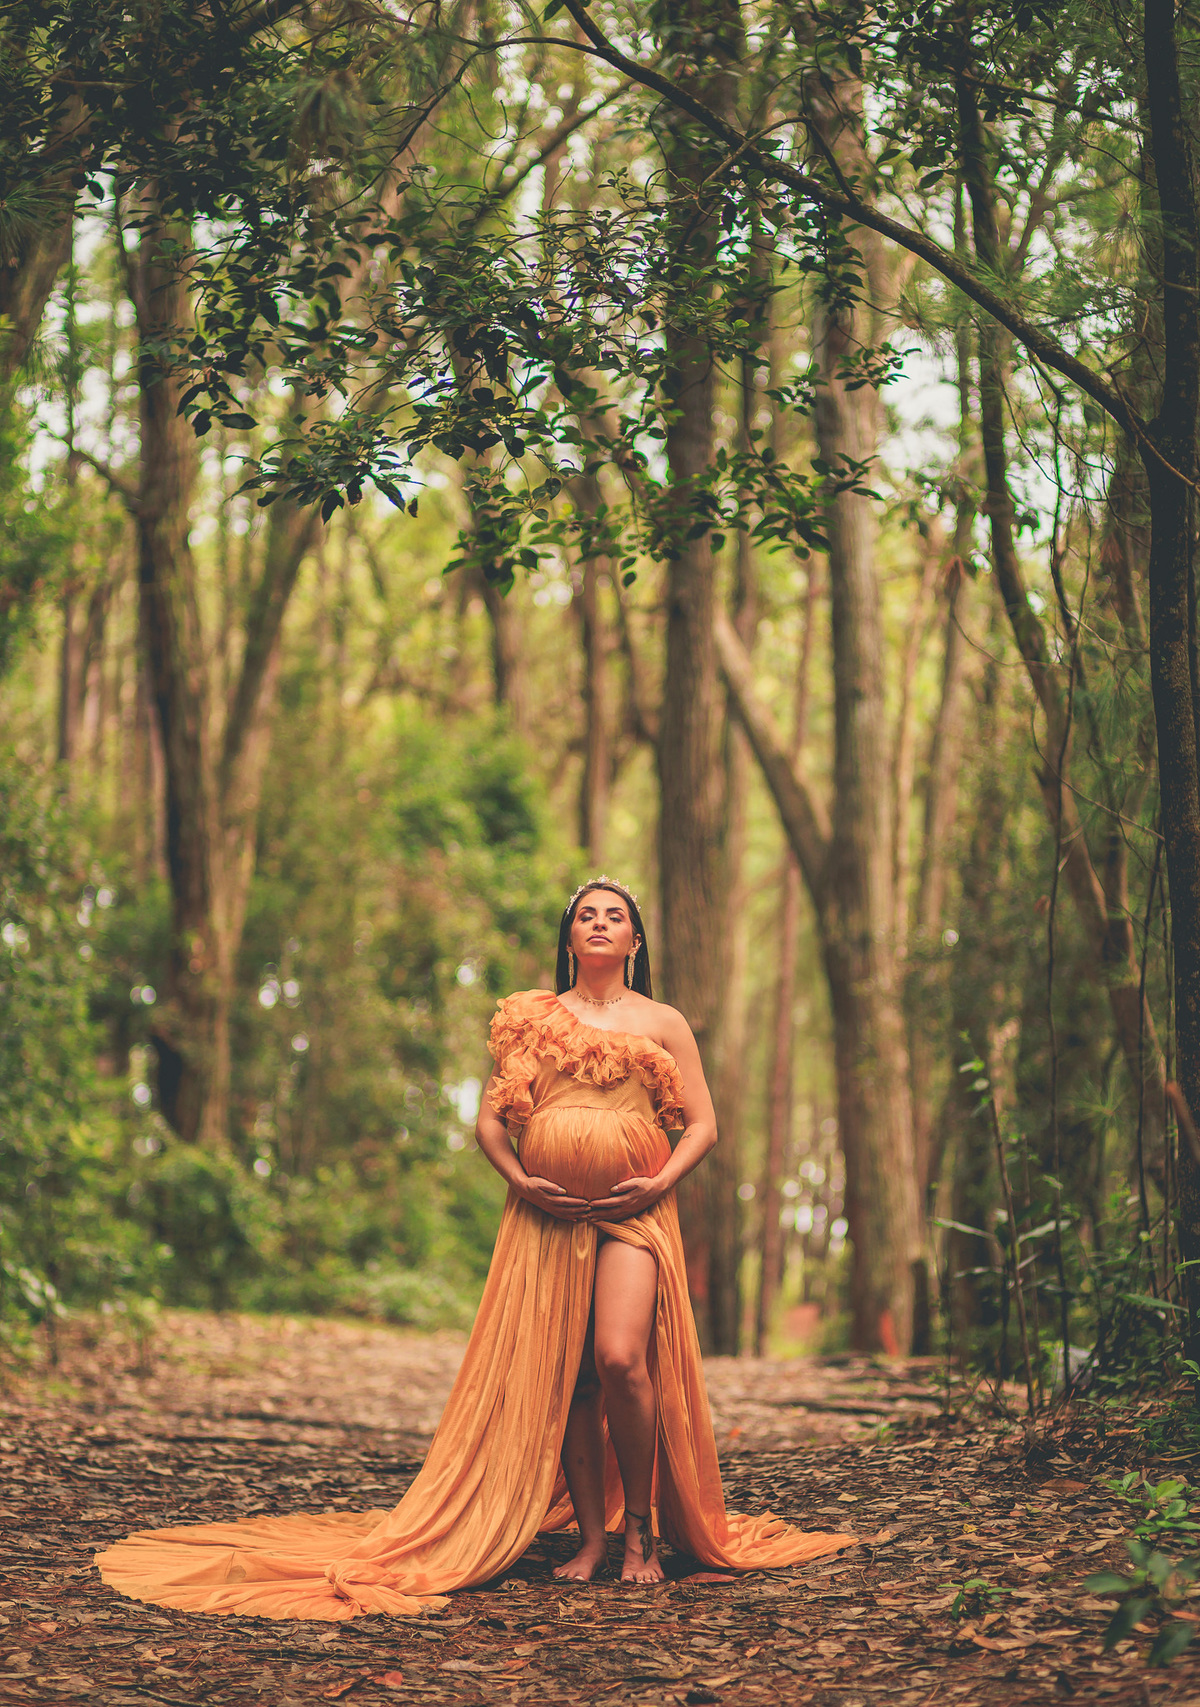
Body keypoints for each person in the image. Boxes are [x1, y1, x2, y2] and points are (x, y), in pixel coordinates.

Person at [95, 879, 853, 1620]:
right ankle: (591, 1538)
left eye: (614, 916)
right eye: (586, 914)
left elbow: (704, 1126)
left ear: (634, 939)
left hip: (635, 1212)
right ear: (569, 938)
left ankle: (641, 1531)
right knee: (573, 1376)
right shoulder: (532, 1017)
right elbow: (491, 1123)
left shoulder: (663, 1020)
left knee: (622, 1358)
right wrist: (523, 1181)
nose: (599, 923)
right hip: (548, 1217)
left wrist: (657, 1183)